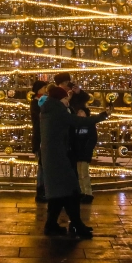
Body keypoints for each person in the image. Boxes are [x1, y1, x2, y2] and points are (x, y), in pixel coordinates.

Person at [40, 85, 91, 238]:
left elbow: (82, 101)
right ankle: (75, 225)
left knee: (60, 195)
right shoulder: (57, 112)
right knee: (70, 192)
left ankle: (53, 225)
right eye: (65, 97)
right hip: (61, 157)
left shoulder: (60, 109)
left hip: (64, 155)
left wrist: (78, 92)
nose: (67, 99)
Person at [68, 90, 109, 204]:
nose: (80, 114)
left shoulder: (89, 125)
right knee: (79, 174)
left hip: (84, 153)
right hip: (77, 152)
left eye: (82, 112)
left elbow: (92, 138)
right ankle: (81, 192)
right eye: (79, 112)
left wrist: (88, 149)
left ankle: (88, 193)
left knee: (84, 174)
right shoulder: (75, 125)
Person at [30, 79, 48, 201]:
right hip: (40, 137)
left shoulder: (45, 101)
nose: (45, 89)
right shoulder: (36, 103)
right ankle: (40, 191)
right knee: (42, 166)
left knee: (44, 166)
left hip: (44, 136)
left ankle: (43, 190)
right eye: (43, 87)